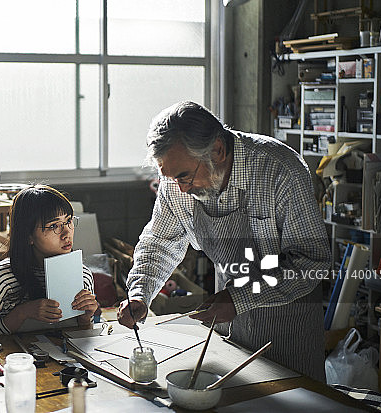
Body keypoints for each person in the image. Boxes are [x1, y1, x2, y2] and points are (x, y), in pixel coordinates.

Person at [117, 101, 331, 381]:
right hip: (228, 331)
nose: (180, 188)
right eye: (170, 178)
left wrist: (239, 299)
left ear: (217, 150)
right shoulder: (176, 182)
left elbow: (311, 262)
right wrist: (139, 294)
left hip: (287, 334)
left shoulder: (280, 170)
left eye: (184, 176)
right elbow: (159, 242)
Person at [0, 185, 99, 336]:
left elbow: (83, 338)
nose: (66, 233)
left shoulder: (82, 275)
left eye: (68, 221)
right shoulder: (1, 278)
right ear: (28, 236)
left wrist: (85, 318)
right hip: (13, 358)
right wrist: (22, 313)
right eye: (54, 226)